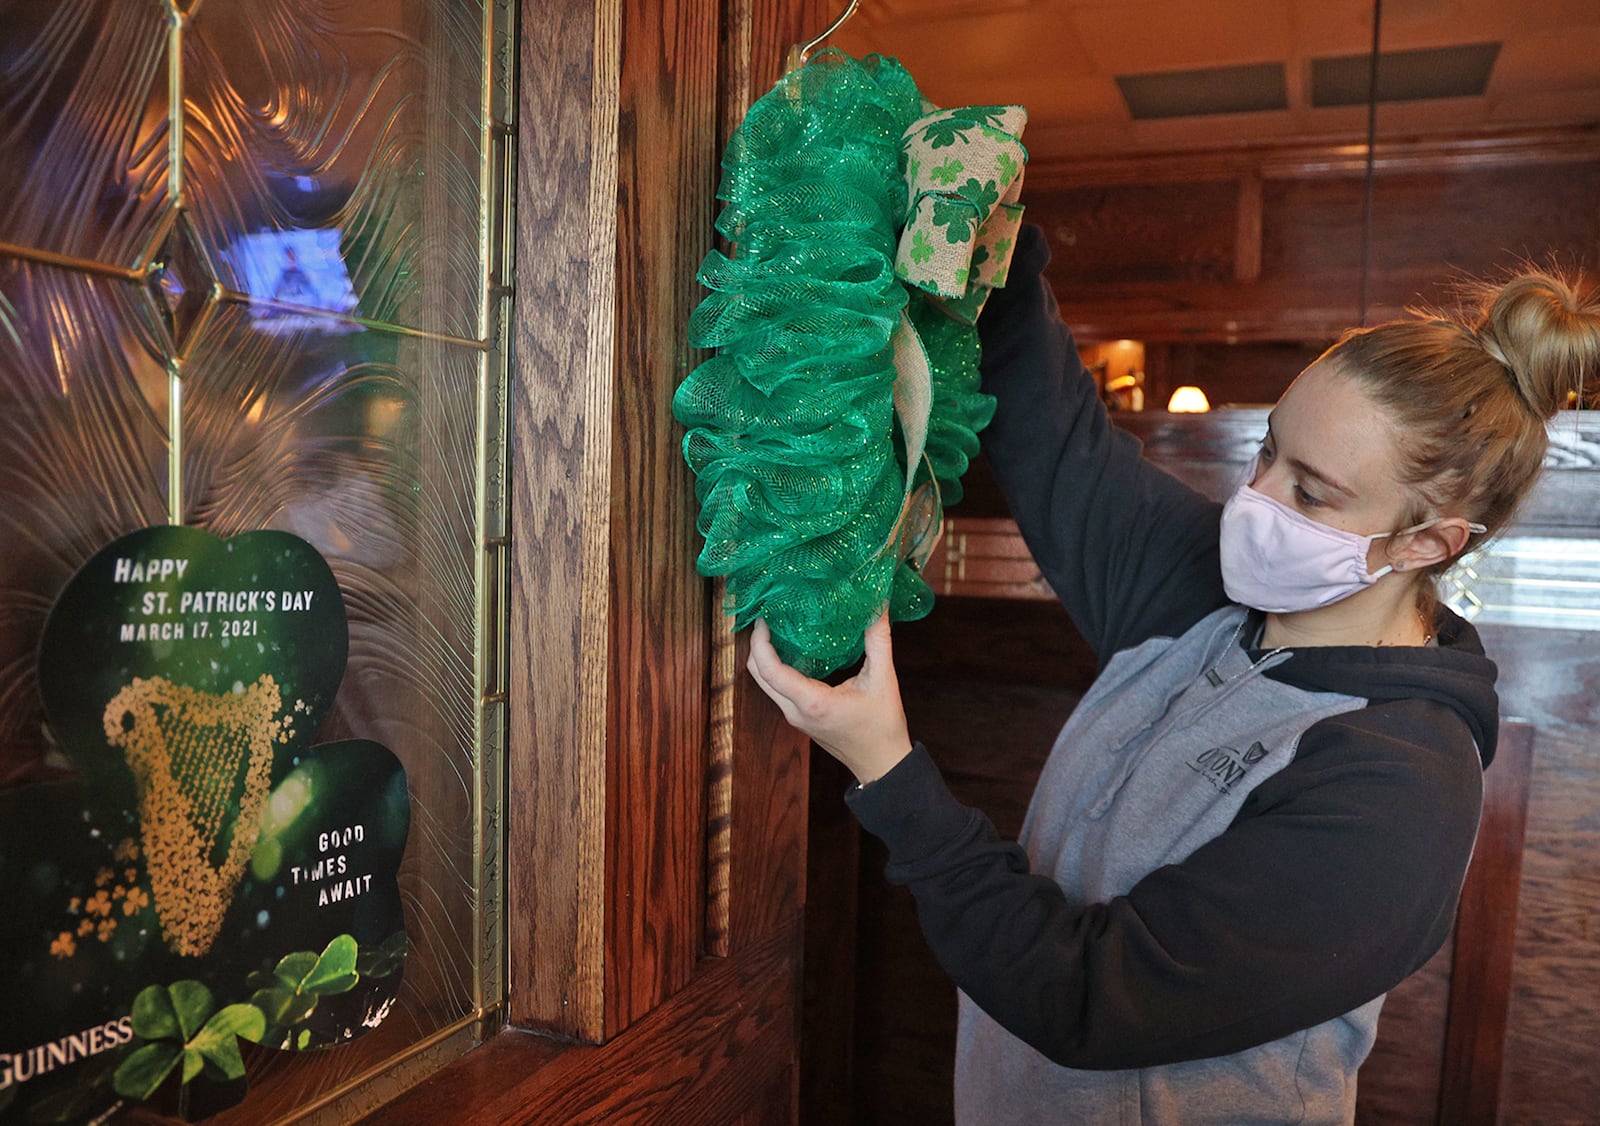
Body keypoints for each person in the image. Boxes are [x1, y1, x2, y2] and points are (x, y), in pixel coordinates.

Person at [746, 224, 1600, 1125]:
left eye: (1312, 493)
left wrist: (889, 770)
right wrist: (993, 234)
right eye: (1268, 451)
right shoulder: (1205, 589)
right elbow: (1055, 433)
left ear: (1427, 541)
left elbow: (1083, 996)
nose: (1255, 500)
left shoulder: (1398, 782)